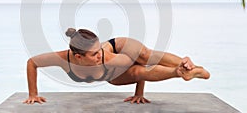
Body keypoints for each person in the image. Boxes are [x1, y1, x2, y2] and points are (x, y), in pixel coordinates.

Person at [23, 28, 210, 104]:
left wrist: (140, 92)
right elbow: (32, 62)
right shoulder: (62, 59)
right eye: (94, 54)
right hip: (110, 76)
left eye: (99, 51)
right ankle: (178, 72)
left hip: (119, 46)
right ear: (78, 57)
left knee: (144, 58)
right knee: (137, 72)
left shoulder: (107, 56)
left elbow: (136, 62)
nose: (99, 56)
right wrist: (33, 94)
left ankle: (185, 66)